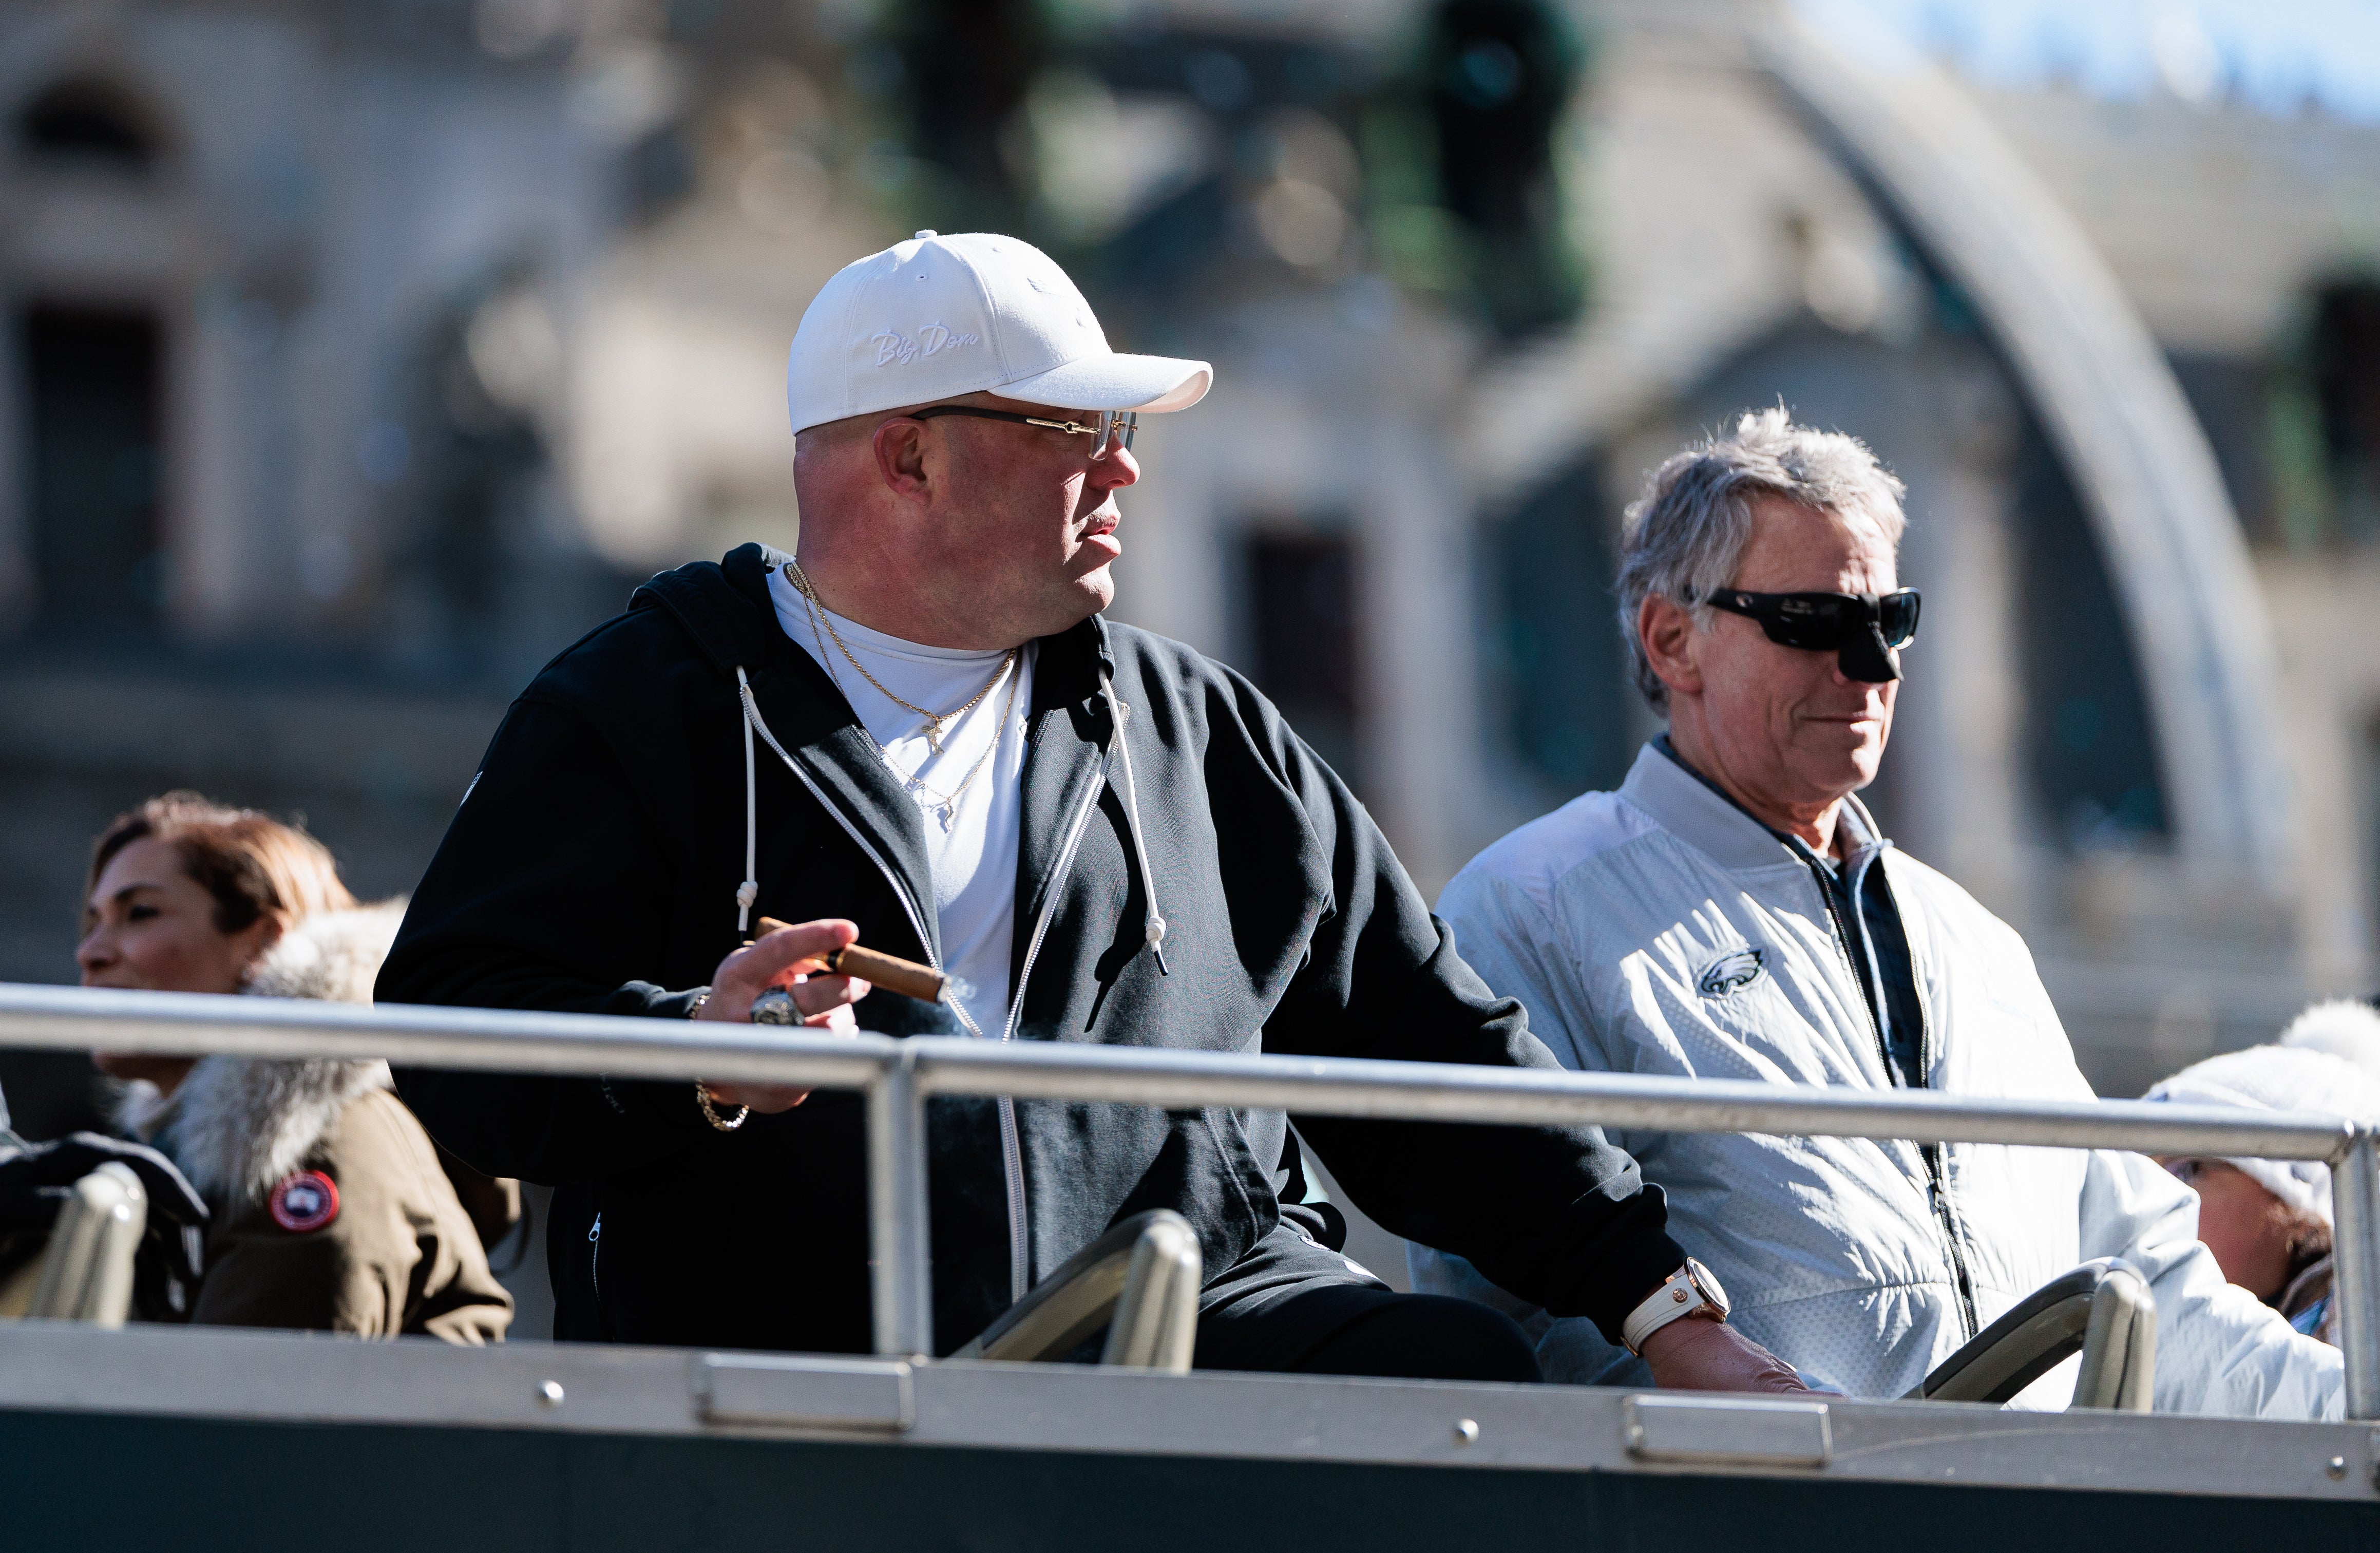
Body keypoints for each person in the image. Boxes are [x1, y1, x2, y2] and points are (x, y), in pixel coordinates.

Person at [382, 230, 1807, 1390]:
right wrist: (690, 1050)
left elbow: (1429, 1051)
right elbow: (446, 1029)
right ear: (908, 459)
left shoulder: (1202, 730)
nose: (1125, 465)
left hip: (1178, 1343)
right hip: (807, 1394)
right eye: (1079, 425)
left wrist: (1661, 1308)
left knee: (1443, 1376)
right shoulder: (640, 705)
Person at [1411, 407, 2342, 1416]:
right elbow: (1518, 1307)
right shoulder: (1530, 910)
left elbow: (2155, 1289)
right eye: (1814, 623)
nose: (1873, 667)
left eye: (1888, 621)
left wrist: (2352, 1407)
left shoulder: (1977, 947)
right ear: (1671, 640)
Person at [79, 793, 511, 1342]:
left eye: (139, 912)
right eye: (92, 921)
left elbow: (240, 1415)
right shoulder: (200, 1146)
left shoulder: (309, 1140)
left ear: (263, 942)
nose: (90, 952)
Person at [2144, 998, 2380, 1344]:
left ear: (2296, 1202)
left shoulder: (2353, 1336)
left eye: (2187, 1170)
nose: (2147, 1196)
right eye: (2139, 1172)